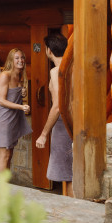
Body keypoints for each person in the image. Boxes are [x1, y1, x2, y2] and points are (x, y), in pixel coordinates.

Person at [35, 32, 73, 197]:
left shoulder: (56, 71)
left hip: (63, 125)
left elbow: (57, 106)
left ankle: (70, 208)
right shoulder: (73, 68)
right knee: (70, 173)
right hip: (74, 123)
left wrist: (43, 134)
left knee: (68, 175)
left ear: (49, 50)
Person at [0, 48, 31, 176]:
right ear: (11, 60)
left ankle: (5, 184)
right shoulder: (5, 75)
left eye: (22, 57)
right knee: (4, 155)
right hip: (2, 119)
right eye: (17, 58)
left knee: (10, 154)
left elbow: (12, 95)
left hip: (12, 120)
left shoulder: (20, 76)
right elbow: (1, 101)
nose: (20, 60)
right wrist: (22, 107)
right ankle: (0, 187)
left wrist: (22, 92)